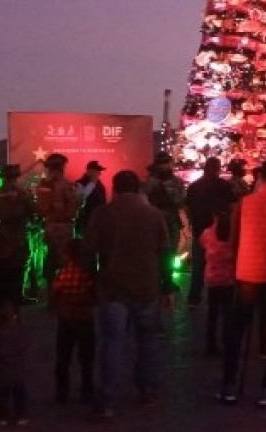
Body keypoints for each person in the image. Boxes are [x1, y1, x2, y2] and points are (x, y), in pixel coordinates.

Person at [81, 170, 175, 419]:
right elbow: (166, 254)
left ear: (115, 188)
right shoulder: (154, 215)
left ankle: (108, 400)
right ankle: (147, 390)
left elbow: (87, 252)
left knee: (112, 344)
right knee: (149, 342)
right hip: (146, 287)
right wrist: (167, 287)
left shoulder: (102, 214)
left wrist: (93, 279)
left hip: (112, 289)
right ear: (138, 189)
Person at [218, 159, 266, 407]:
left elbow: (233, 239)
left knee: (237, 329)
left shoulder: (245, 204)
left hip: (249, 271)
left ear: (260, 178)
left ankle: (229, 383)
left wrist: (234, 265)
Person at [184, 158, 236, 307]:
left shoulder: (194, 186)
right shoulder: (224, 186)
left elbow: (187, 207)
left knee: (198, 266)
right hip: (221, 232)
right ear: (218, 169)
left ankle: (194, 298)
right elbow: (233, 206)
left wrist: (192, 220)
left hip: (199, 230)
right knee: (222, 265)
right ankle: (222, 298)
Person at [0, 164, 36, 308]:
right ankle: (17, 296)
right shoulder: (24, 194)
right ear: (16, 177)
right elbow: (33, 213)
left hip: (3, 235)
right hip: (19, 233)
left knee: (3, 266)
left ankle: (4, 297)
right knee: (19, 266)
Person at [52, 238, 95, 404]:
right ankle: (87, 389)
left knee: (63, 358)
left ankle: (61, 392)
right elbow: (94, 296)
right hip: (84, 319)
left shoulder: (62, 274)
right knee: (86, 359)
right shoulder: (87, 275)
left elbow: (55, 295)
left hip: (66, 320)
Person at [35, 154, 79, 299]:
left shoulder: (42, 186)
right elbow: (72, 209)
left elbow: (40, 208)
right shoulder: (66, 186)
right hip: (63, 228)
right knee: (64, 262)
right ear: (61, 167)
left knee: (50, 261)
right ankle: (64, 294)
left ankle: (51, 296)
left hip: (49, 227)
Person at [200, 206, 236, 357]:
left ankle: (210, 344)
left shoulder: (207, 234)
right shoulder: (234, 235)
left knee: (212, 313)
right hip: (229, 279)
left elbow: (202, 244)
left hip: (213, 279)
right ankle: (228, 343)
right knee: (228, 314)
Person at [143, 152, 186, 260]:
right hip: (155, 220)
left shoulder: (176, 182)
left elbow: (181, 200)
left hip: (170, 220)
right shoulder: (150, 182)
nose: (165, 166)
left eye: (166, 163)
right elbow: (144, 201)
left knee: (170, 252)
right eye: (162, 163)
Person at [74, 161, 107, 238]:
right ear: (89, 171)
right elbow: (80, 198)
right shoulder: (80, 183)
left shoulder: (100, 185)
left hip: (98, 220)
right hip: (84, 220)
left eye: (99, 171)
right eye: (96, 171)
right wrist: (92, 183)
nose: (99, 173)